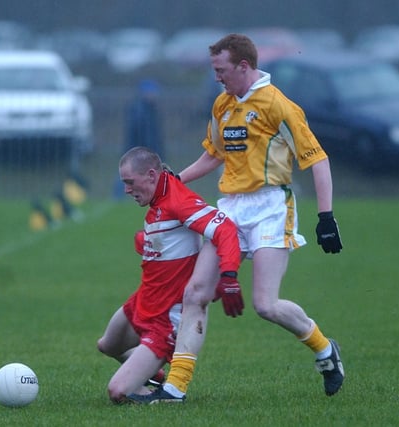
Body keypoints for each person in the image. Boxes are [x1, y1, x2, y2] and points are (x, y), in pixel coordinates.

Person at [128, 34, 344, 404]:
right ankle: (175, 388)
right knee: (195, 293)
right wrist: (174, 180)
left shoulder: (279, 106)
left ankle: (325, 349)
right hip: (230, 208)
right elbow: (213, 155)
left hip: (271, 207)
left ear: (244, 66)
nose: (216, 77)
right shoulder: (222, 105)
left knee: (266, 305)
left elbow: (317, 159)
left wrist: (326, 217)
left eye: (221, 70)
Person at [97, 146, 242, 403]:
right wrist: (145, 242)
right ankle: (154, 373)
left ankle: (153, 380)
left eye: (130, 183)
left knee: (117, 392)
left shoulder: (178, 200)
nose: (127, 189)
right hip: (144, 301)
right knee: (107, 346)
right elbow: (170, 243)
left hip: (165, 319)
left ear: (152, 175)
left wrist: (229, 276)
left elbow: (225, 229)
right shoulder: (157, 198)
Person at [114, 79, 164, 199]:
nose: (154, 95)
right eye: (152, 92)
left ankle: (120, 197)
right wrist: (147, 150)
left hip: (138, 150)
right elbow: (144, 133)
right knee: (126, 173)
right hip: (137, 149)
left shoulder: (148, 109)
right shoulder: (141, 110)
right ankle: (118, 197)